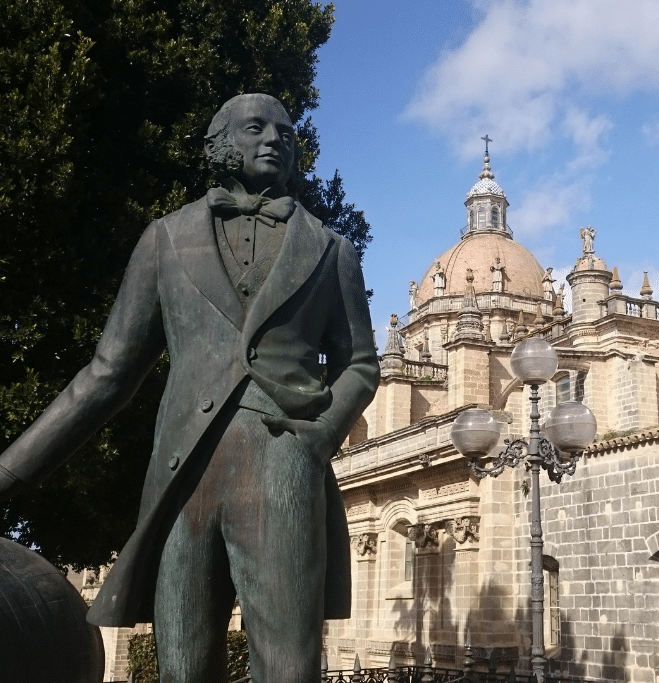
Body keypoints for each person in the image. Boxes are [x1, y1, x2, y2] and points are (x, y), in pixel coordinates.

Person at [0, 94, 380, 683]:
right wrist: (9, 473)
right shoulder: (166, 239)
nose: (274, 139)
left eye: (285, 131)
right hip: (182, 478)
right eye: (255, 128)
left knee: (289, 666)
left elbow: (359, 363)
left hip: (283, 467)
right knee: (183, 665)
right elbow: (107, 373)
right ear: (220, 144)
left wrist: (315, 439)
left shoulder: (332, 251)